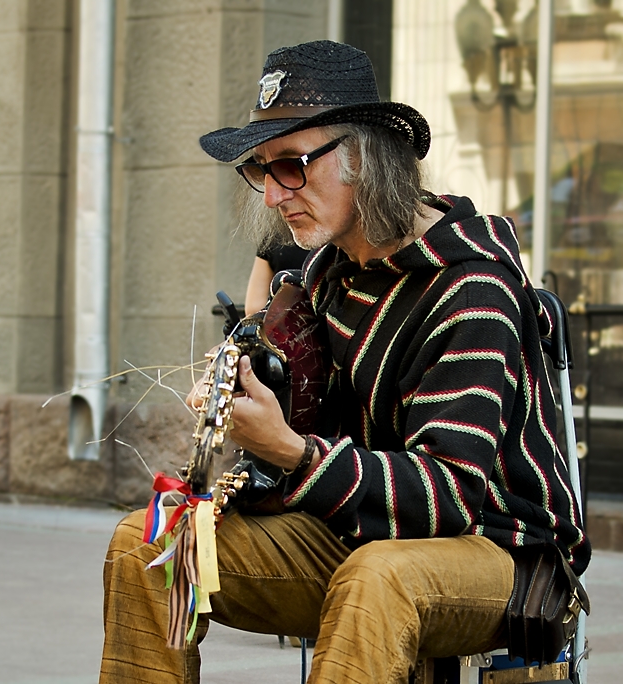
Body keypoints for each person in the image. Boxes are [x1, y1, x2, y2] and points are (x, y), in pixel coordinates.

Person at [99, 41, 590, 684]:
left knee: (377, 578)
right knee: (154, 546)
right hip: (364, 535)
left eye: (293, 165)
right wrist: (259, 396)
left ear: (363, 155)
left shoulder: (470, 292)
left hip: (500, 550)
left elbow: (449, 497)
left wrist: (291, 452)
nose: (274, 195)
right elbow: (320, 429)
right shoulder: (334, 274)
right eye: (262, 169)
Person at [244, 243, 309, 315]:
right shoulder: (272, 242)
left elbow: (254, 310)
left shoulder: (273, 241)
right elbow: (253, 309)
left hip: (283, 319)